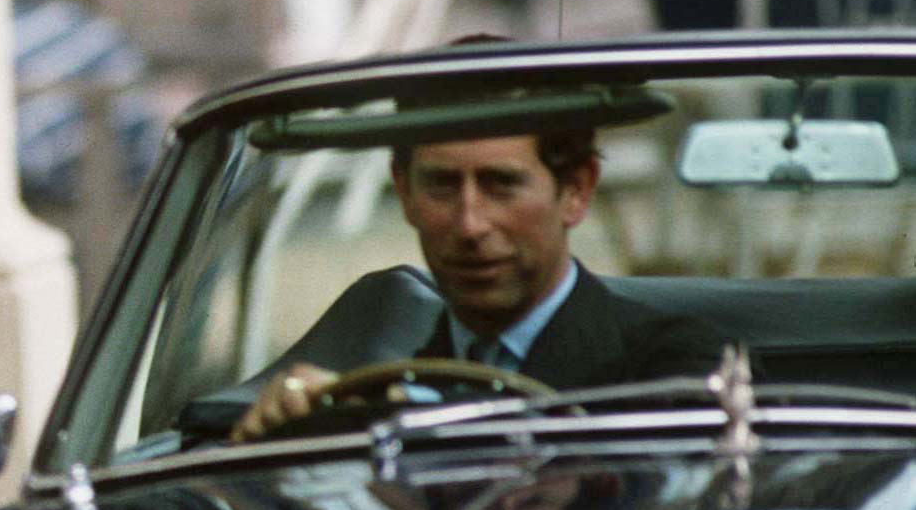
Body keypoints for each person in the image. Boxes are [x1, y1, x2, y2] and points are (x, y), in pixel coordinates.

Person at [231, 122, 728, 442]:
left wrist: (405, 415)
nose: (470, 225)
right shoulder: (384, 386)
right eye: (441, 185)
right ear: (403, 192)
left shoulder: (680, 367)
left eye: (501, 184)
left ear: (576, 191)